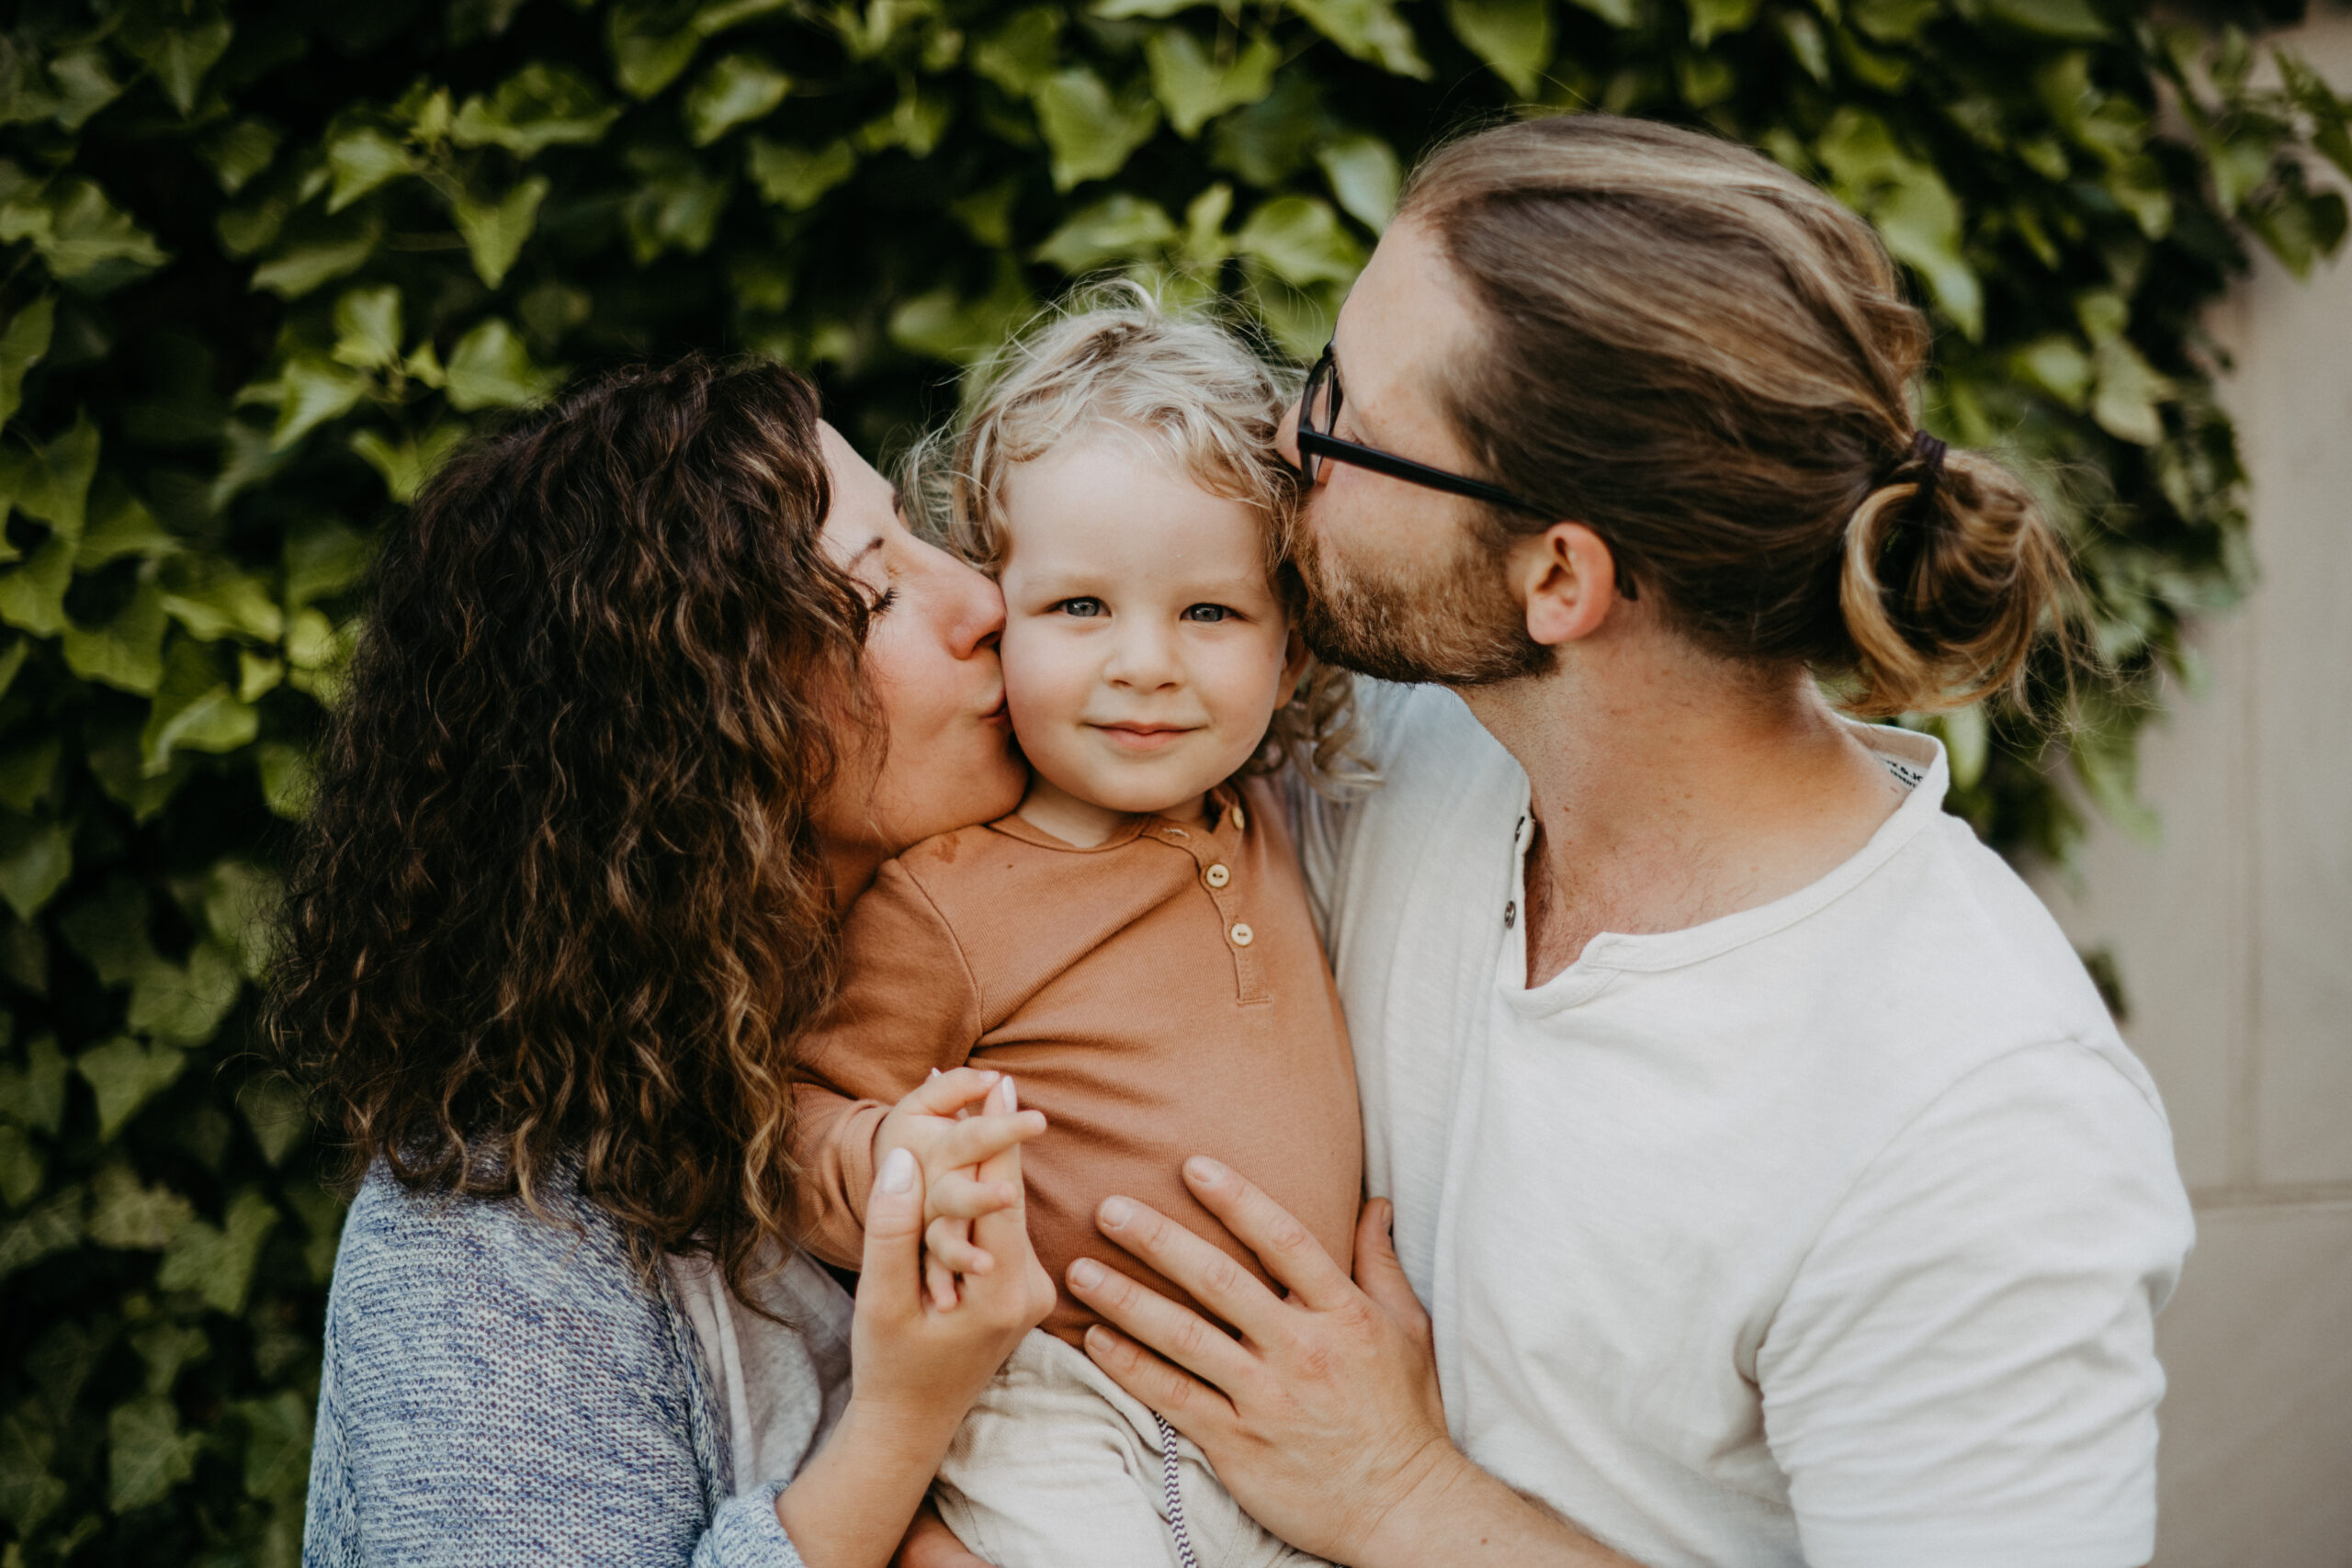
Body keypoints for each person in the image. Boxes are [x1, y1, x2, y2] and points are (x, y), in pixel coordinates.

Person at [1059, 114, 2197, 1568]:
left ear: (1559, 577)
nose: (1293, 441)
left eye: (1346, 417)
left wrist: (1402, 1499)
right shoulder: (1403, 753)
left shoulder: (1978, 1127)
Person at [270, 355, 1057, 1568]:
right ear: (699, 732)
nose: (983, 600)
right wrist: (902, 1418)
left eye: (920, 538)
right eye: (877, 592)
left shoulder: (986, 1011)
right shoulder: (487, 1245)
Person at [788, 299, 1363, 1568]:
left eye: (1210, 615)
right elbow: (798, 1112)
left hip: (1289, 1403)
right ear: (1000, 608)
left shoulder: (1276, 817)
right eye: (1082, 609)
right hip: (1073, 1397)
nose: (1146, 664)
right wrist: (895, 1161)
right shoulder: (948, 895)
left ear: (1292, 636)